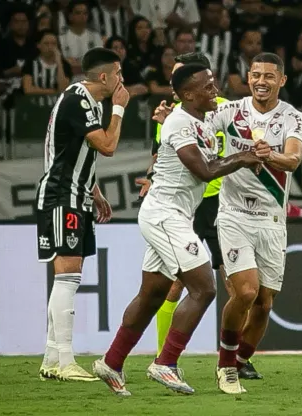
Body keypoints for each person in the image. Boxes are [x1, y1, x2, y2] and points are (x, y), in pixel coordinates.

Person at [92, 64, 265, 396]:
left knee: (152, 295)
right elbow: (202, 171)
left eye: (214, 84)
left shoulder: (201, 118)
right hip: (165, 214)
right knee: (204, 288)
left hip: (175, 215)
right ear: (188, 94)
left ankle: (111, 362)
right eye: (208, 87)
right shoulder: (179, 123)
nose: (215, 91)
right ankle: (165, 363)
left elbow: (241, 111)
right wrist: (242, 158)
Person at [206, 52, 302, 394]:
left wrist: (270, 155)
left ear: (282, 80)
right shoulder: (230, 112)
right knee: (246, 291)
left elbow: (293, 159)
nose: (261, 81)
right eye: (255, 75)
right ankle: (225, 366)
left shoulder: (294, 119)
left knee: (264, 303)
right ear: (247, 77)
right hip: (234, 214)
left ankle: (240, 359)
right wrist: (168, 119)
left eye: (268, 76)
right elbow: (196, 127)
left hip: (271, 218)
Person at [35, 47, 129, 382]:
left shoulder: (87, 101)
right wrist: (119, 108)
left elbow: (77, 151)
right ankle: (65, 360)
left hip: (77, 194)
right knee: (68, 275)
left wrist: (95, 189)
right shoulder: (78, 99)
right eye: (118, 73)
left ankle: (50, 359)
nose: (122, 80)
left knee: (69, 275)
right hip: (62, 196)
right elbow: (107, 145)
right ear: (104, 76)